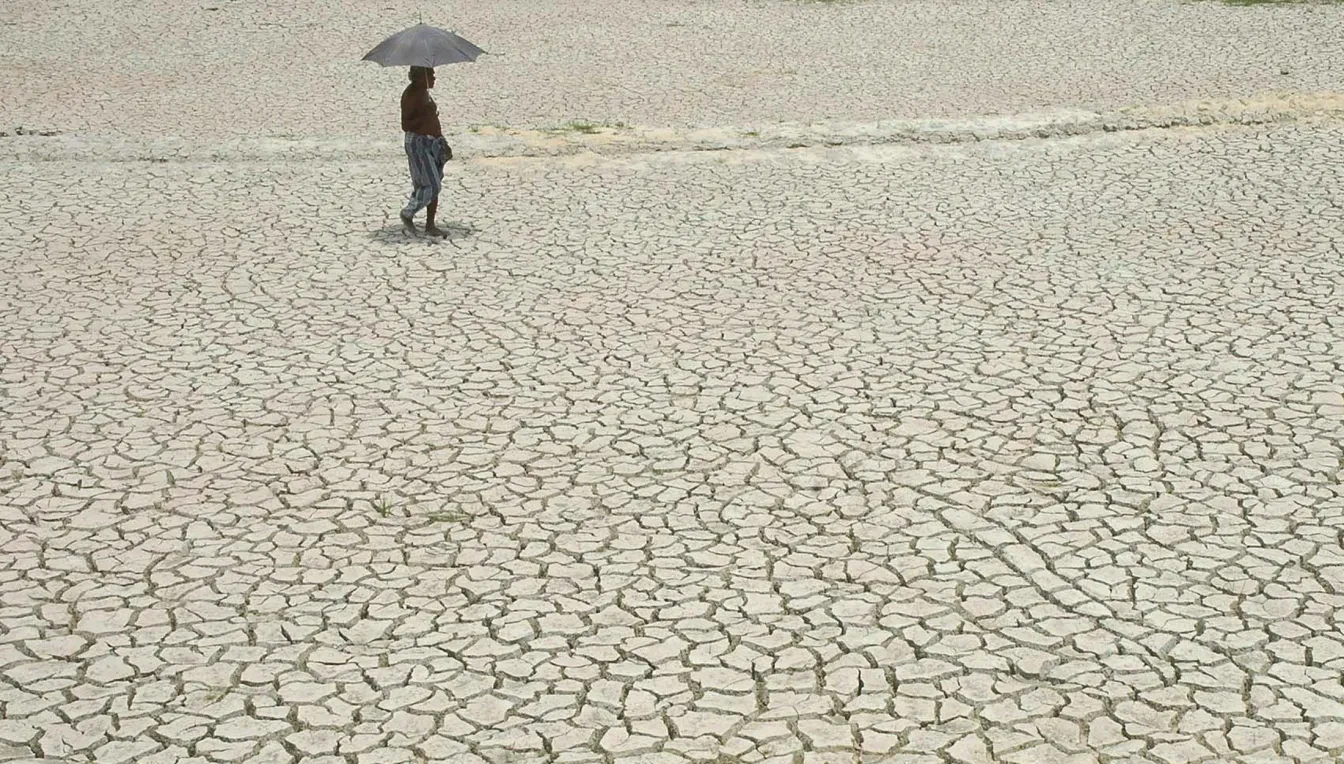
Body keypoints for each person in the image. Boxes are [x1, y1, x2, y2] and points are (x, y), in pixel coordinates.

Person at [399, 66, 452, 237]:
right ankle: (408, 212)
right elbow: (406, 125)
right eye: (430, 75)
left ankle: (430, 224)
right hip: (419, 143)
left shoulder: (424, 93)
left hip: (432, 142)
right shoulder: (411, 95)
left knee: (434, 181)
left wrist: (443, 142)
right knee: (432, 184)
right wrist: (425, 115)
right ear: (421, 77)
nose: (434, 77)